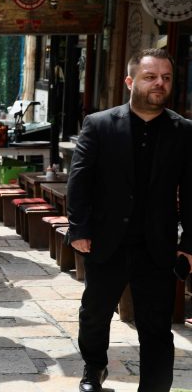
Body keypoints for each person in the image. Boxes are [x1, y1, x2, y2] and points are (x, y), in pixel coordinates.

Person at [67, 48, 192, 392]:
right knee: (95, 314)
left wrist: (189, 243)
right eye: (150, 77)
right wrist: (78, 228)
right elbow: (80, 180)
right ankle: (94, 367)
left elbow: (191, 191)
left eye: (166, 78)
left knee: (156, 325)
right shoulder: (99, 124)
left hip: (157, 245)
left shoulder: (183, 131)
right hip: (106, 240)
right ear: (129, 81)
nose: (159, 83)